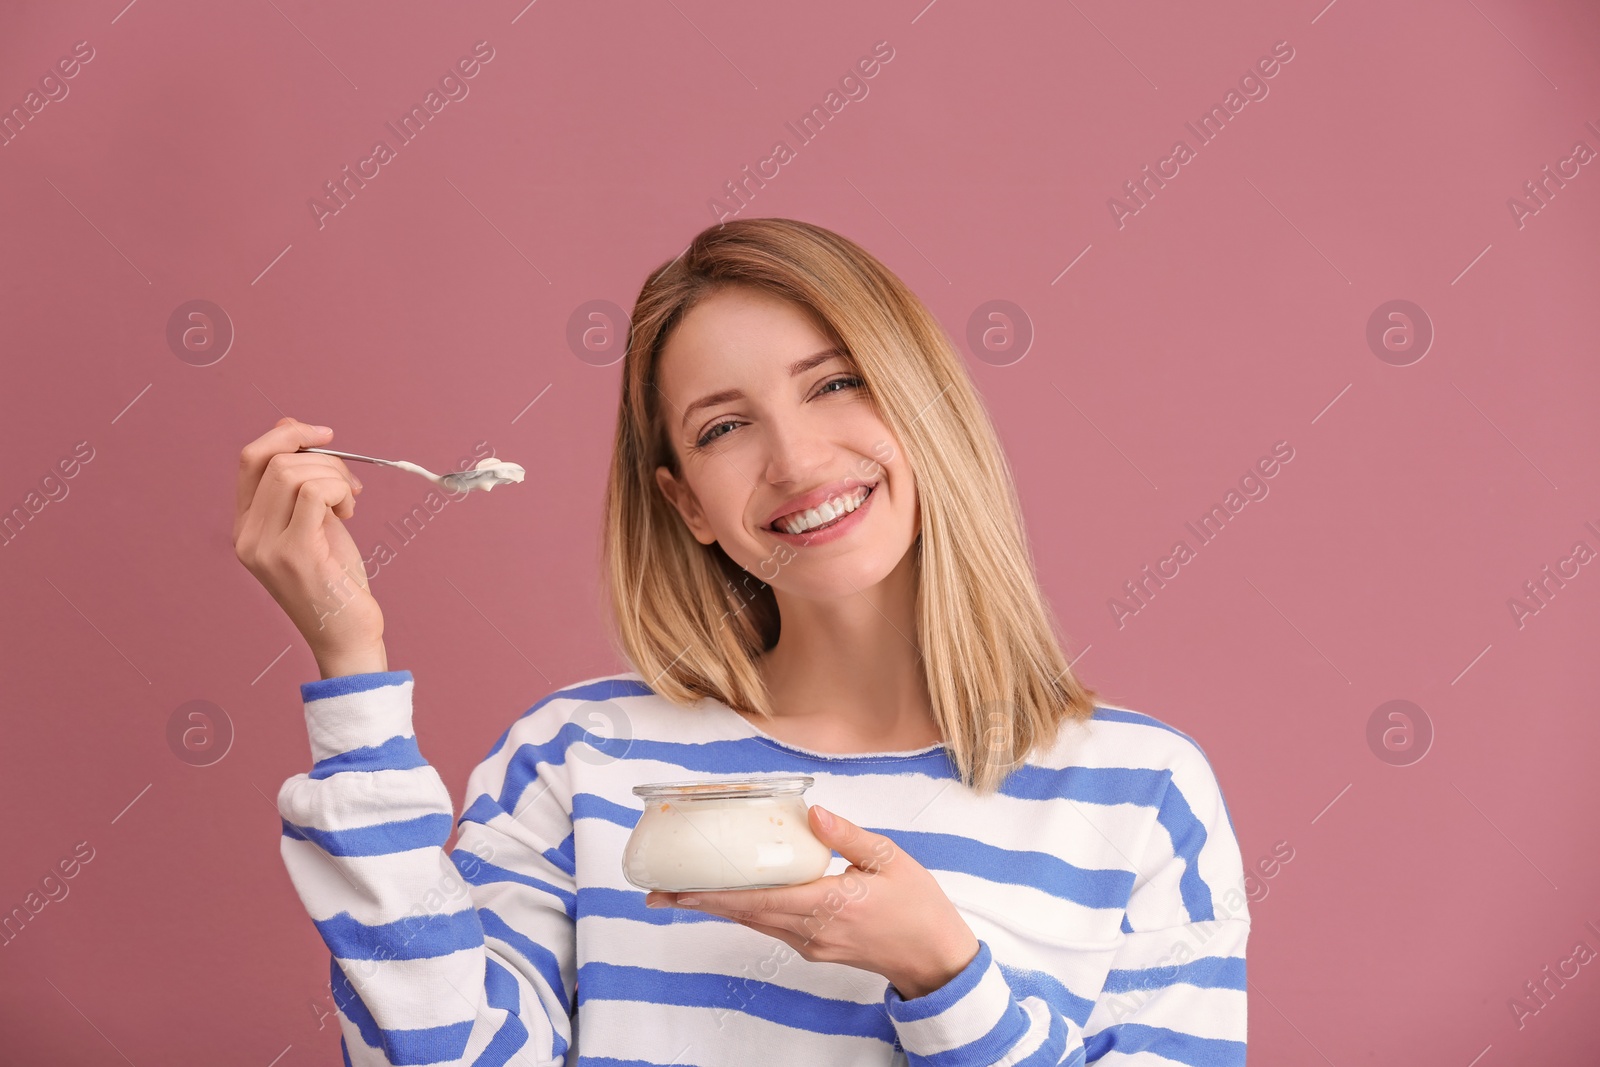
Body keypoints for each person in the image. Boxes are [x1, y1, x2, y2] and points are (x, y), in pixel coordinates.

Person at [232, 217, 1250, 1066]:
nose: (797, 457)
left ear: (923, 402)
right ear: (688, 505)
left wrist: (943, 973)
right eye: (724, 427)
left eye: (834, 383)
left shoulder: (1141, 791)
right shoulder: (579, 756)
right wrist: (350, 663)